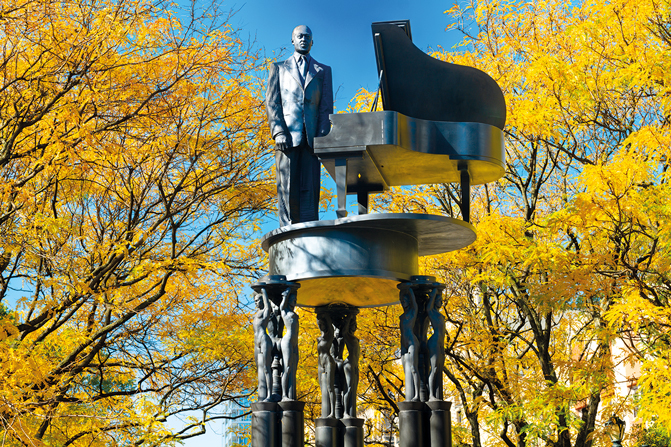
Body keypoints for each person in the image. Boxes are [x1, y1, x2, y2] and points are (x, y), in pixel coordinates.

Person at [266, 25, 333, 227]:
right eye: (300, 36)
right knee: (286, 185)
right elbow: (272, 102)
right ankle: (287, 228)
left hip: (313, 138)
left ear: (312, 42)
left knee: (311, 187)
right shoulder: (278, 68)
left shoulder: (324, 71)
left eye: (308, 37)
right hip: (287, 136)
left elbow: (326, 106)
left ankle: (310, 226)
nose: (304, 39)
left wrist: (322, 135)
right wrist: (278, 132)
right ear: (292, 40)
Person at [399, 286, 420, 401]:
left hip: (412, 341)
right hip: (403, 343)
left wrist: (409, 289)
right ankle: (409, 394)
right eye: (402, 301)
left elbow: (414, 303)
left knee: (413, 368)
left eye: (405, 301)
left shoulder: (413, 312)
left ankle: (417, 395)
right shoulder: (401, 317)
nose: (403, 303)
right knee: (405, 369)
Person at [252, 290, 273, 401]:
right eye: (254, 301)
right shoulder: (256, 314)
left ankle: (269, 395)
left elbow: (268, 305)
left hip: (264, 340)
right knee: (259, 369)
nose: (256, 303)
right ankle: (262, 395)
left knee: (266, 368)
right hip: (256, 342)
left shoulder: (265, 311)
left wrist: (264, 291)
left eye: (258, 300)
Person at [280, 287, 299, 401]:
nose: (295, 302)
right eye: (293, 299)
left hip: (294, 342)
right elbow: (281, 307)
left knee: (293, 368)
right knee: (286, 367)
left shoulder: (294, 313)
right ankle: (284, 395)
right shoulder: (285, 312)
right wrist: (285, 295)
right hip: (287, 341)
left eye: (296, 299)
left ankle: (291, 394)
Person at [426, 286, 445, 401]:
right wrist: (433, 295)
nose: (441, 302)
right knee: (434, 368)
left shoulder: (440, 314)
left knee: (438, 370)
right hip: (434, 342)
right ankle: (431, 395)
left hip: (440, 343)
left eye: (441, 300)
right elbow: (428, 309)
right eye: (439, 300)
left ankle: (437, 395)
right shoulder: (432, 312)